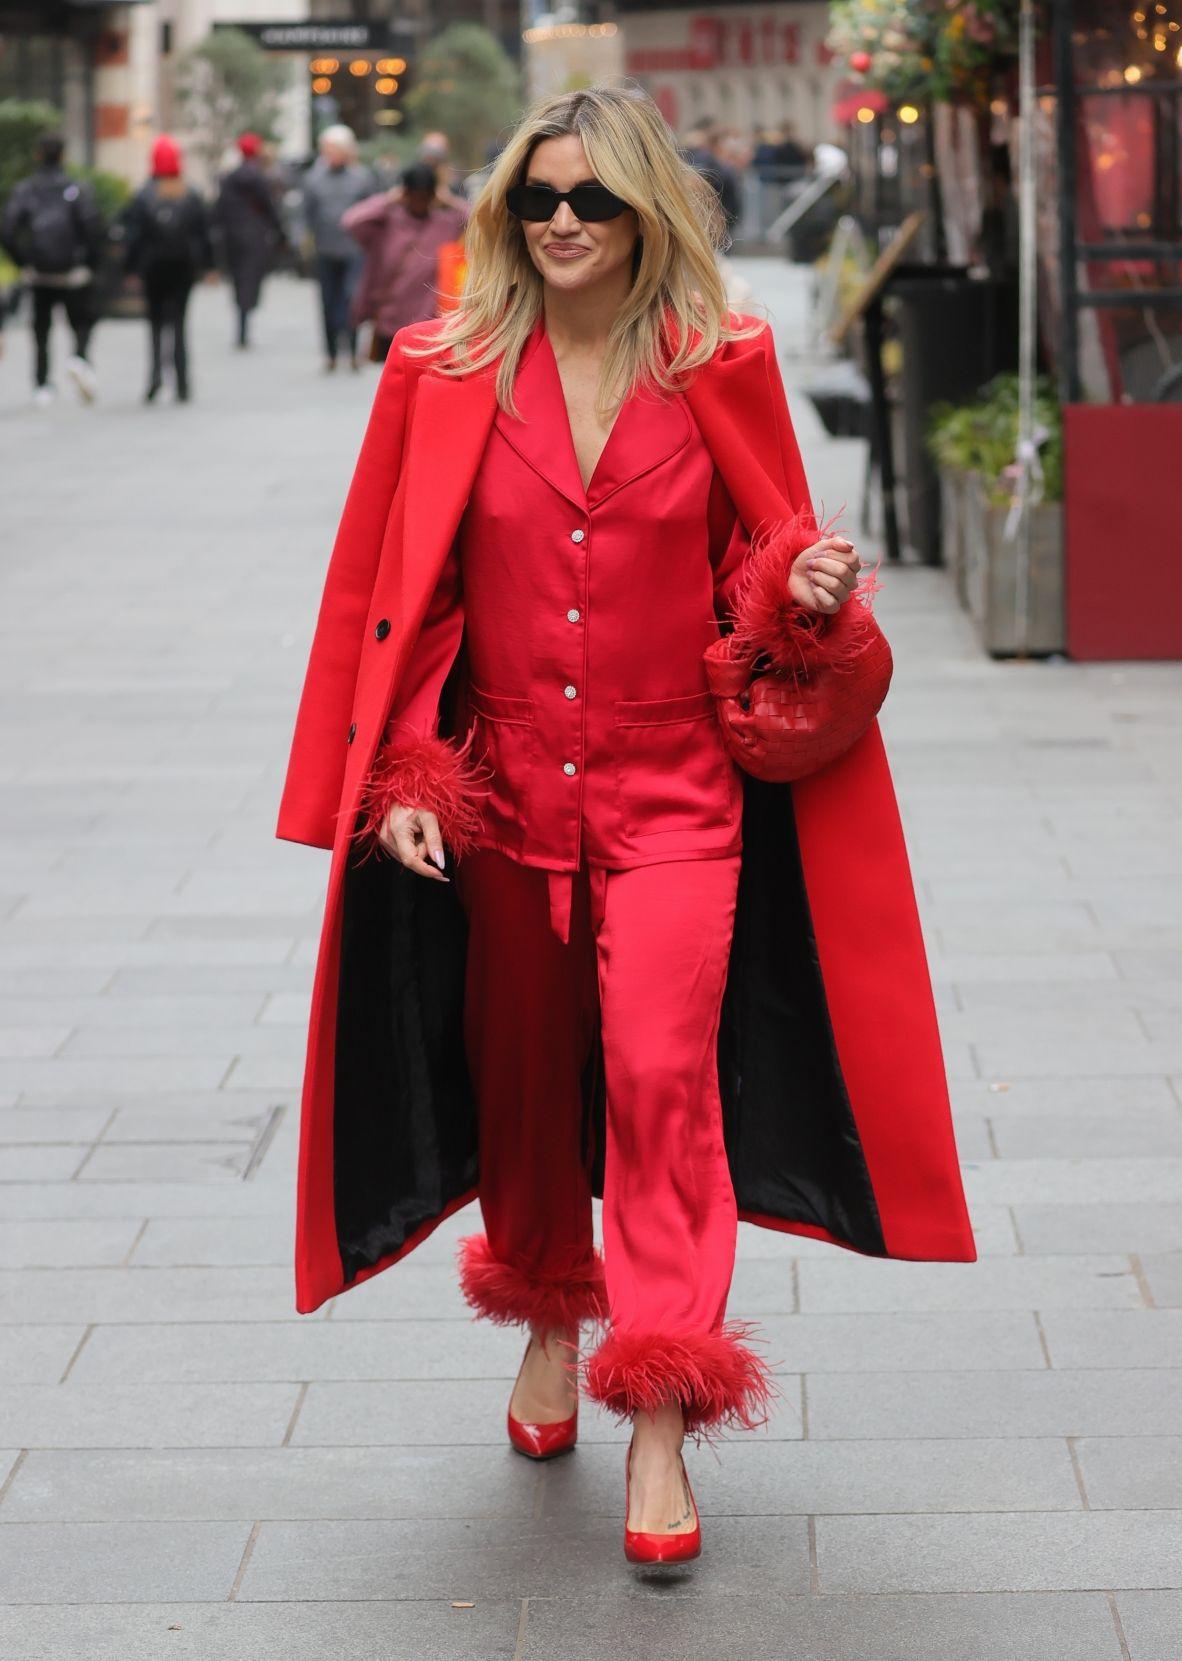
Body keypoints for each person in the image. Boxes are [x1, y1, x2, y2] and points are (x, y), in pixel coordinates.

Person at [275, 84, 975, 1567]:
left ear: (649, 208)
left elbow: (755, 559)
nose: (565, 223)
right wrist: (404, 774)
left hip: (679, 800)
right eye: (538, 199)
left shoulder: (723, 361)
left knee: (663, 1079)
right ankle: (542, 1304)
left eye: (593, 199)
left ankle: (658, 1405)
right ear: (506, 214)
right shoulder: (439, 366)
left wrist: (796, 589)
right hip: (508, 795)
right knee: (524, 1079)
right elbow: (403, 600)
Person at [0, 132, 105, 406]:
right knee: (81, 322)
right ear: (62, 155)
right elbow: (94, 229)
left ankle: (42, 384)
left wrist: (24, 263)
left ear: (38, 155)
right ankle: (80, 360)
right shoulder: (76, 188)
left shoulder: (26, 189)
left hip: (40, 272)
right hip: (72, 273)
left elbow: (7, 231)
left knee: (41, 329)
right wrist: (89, 265)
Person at [341, 162, 469, 360]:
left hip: (429, 321)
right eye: (415, 195)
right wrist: (388, 199)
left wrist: (450, 200)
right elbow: (351, 220)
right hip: (391, 320)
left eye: (426, 196)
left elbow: (479, 219)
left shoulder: (446, 224)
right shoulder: (386, 222)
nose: (420, 202)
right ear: (405, 193)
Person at [121, 135, 213, 404]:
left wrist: (131, 270)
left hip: (153, 269)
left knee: (155, 325)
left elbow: (134, 237)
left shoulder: (143, 196)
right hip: (183, 269)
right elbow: (203, 235)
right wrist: (209, 266)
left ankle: (154, 379)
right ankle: (183, 382)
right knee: (181, 324)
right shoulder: (191, 194)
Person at [302, 124, 375, 372]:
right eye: (326, 149)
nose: (329, 154)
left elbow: (374, 212)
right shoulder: (313, 179)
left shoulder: (362, 178)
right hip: (325, 249)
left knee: (352, 298)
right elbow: (306, 214)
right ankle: (331, 353)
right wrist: (302, 238)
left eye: (334, 149)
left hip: (355, 250)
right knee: (327, 301)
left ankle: (353, 351)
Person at [214, 132, 287, 349]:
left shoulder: (229, 178)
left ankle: (242, 319)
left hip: (233, 236)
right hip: (255, 236)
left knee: (239, 279)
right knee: (251, 279)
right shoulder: (259, 178)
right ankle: (246, 316)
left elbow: (219, 209)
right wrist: (280, 233)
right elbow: (269, 208)